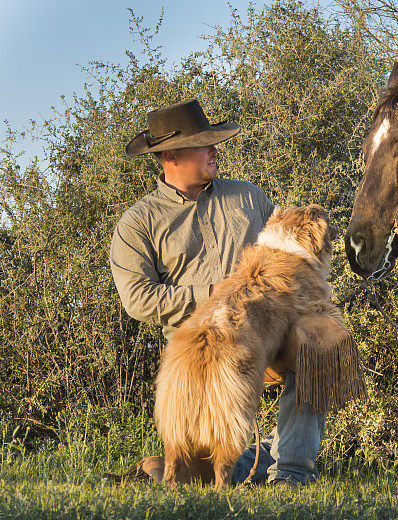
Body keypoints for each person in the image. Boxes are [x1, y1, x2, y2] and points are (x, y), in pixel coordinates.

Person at [110, 99, 325, 487]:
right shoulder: (137, 223)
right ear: (170, 154)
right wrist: (210, 293)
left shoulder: (250, 198)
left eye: (214, 142)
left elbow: (287, 255)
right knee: (198, 478)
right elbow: (138, 298)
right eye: (204, 143)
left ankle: (291, 473)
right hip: (198, 349)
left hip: (266, 334)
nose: (215, 150)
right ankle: (238, 464)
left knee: (320, 342)